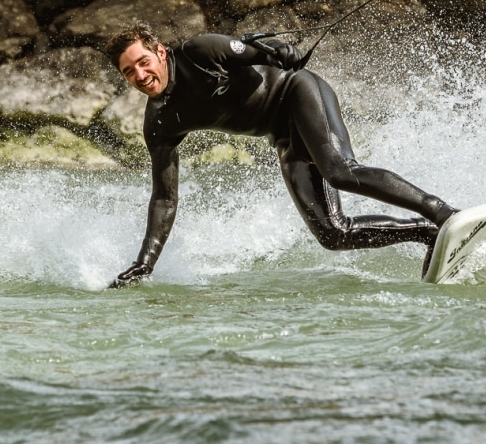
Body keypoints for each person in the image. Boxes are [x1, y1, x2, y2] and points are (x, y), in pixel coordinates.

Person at [105, 24, 458, 288]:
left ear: (160, 52)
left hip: (298, 93)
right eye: (129, 72)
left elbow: (261, 51)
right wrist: (145, 263)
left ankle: (442, 213)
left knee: (339, 171)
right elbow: (164, 199)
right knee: (333, 234)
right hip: (286, 137)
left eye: (143, 62)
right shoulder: (160, 123)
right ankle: (427, 233)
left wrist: (280, 50)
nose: (140, 75)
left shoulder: (199, 52)